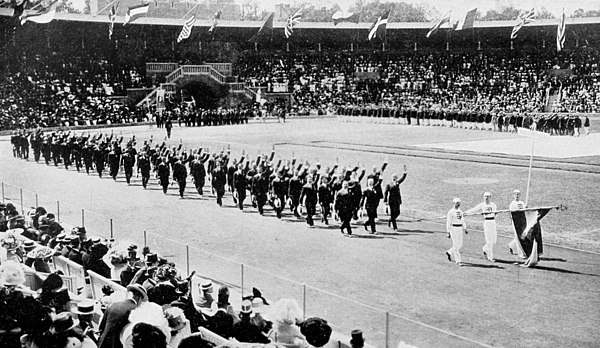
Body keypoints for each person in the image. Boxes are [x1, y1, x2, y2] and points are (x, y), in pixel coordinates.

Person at [97, 284, 148, 348]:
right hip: (118, 344)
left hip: (103, 343)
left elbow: (102, 327)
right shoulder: (135, 310)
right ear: (139, 298)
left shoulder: (113, 304)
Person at [465, 192, 497, 262]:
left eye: (488, 197)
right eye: (485, 197)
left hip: (493, 222)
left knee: (494, 240)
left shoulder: (493, 205)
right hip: (487, 222)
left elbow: (495, 213)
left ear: (490, 197)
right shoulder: (482, 205)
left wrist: (494, 214)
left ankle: (485, 249)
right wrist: (466, 212)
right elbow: (474, 209)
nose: (486, 198)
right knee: (489, 241)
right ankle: (490, 257)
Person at [383, 166, 408, 231]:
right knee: (393, 214)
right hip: (391, 201)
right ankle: (395, 228)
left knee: (398, 212)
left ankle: (390, 219)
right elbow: (385, 193)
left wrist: (405, 172)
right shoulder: (389, 185)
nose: (394, 179)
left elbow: (403, 179)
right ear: (391, 178)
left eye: (395, 178)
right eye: (393, 178)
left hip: (397, 201)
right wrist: (385, 201)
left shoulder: (397, 183)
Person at [445, 198, 467, 266]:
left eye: (459, 203)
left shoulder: (460, 211)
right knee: (455, 244)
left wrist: (465, 228)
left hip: (459, 228)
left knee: (459, 244)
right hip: (453, 228)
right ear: (454, 203)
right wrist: (448, 232)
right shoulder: (451, 212)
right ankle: (458, 261)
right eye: (457, 203)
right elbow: (448, 222)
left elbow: (462, 220)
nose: (458, 204)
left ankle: (449, 252)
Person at [508, 189, 527, 258]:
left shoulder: (522, 203)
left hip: (522, 221)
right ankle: (521, 254)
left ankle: (511, 245)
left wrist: (526, 207)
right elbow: (511, 214)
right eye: (515, 194)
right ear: (513, 195)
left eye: (518, 194)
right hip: (516, 222)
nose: (517, 196)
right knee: (519, 237)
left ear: (520, 195)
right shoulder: (512, 204)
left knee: (521, 236)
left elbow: (524, 211)